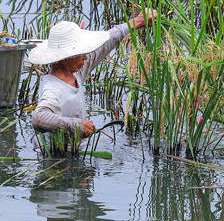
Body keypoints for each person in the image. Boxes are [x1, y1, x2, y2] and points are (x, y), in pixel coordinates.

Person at [28, 11, 157, 138]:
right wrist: (76, 125)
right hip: (57, 155)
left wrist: (139, 21)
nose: (85, 57)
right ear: (65, 57)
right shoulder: (52, 87)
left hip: (77, 149)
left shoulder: (75, 73)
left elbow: (109, 40)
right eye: (81, 53)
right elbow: (39, 118)